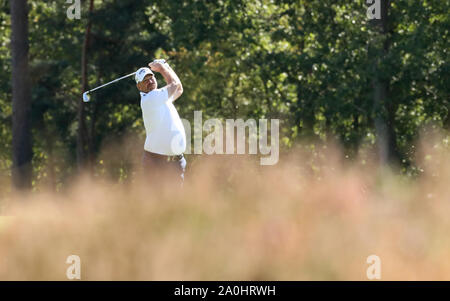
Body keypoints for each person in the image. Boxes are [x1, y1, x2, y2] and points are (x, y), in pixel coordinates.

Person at [135, 60, 186, 187]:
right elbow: (173, 84)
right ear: (139, 86)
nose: (150, 81)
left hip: (175, 161)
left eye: (151, 77)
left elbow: (179, 88)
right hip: (157, 162)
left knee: (176, 202)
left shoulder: (160, 98)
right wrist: (163, 68)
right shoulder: (150, 99)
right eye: (145, 80)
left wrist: (167, 67)